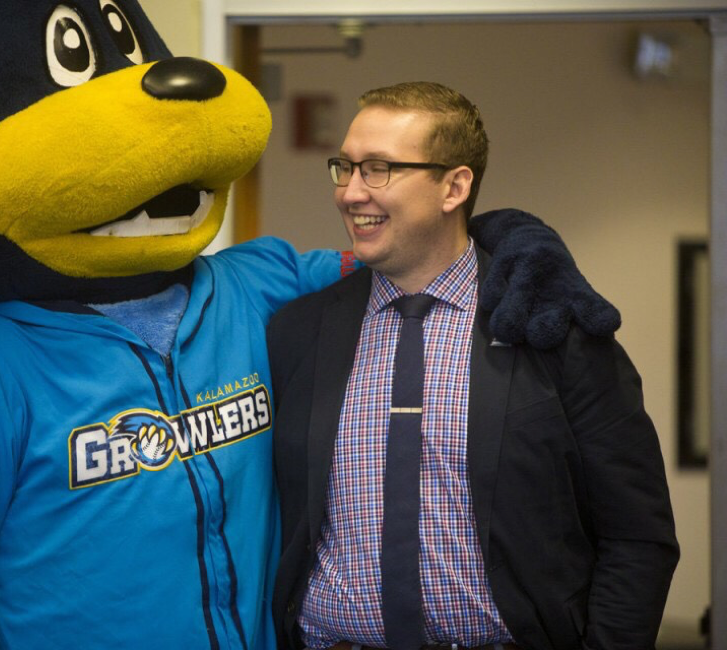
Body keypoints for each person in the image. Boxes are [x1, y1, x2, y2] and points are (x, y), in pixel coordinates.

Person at [267, 81, 678, 650]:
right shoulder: (297, 332)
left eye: (380, 168)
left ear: (454, 186)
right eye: (345, 166)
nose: (351, 193)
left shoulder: (551, 327)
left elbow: (637, 533)